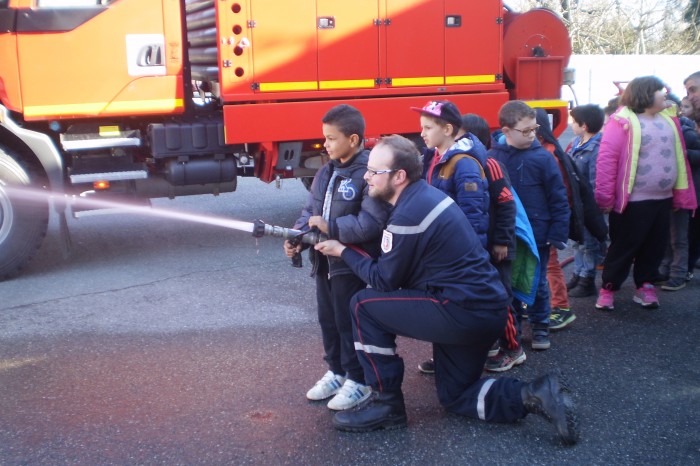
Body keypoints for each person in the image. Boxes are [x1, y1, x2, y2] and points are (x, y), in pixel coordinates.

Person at [314, 135, 579, 445]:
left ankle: (387, 405)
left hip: (460, 310)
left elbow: (385, 280)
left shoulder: (409, 214)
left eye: (375, 172)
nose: (367, 178)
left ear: (399, 176)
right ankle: (535, 394)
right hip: (483, 309)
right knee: (456, 396)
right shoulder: (423, 196)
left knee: (363, 306)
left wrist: (342, 250)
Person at [284, 104, 389, 411]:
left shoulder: (369, 174)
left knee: (349, 322)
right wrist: (297, 238)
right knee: (328, 320)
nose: (325, 144)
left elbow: (371, 223)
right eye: (324, 137)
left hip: (351, 265)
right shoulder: (326, 170)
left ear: (354, 140)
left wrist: (332, 228)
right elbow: (309, 211)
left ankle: (359, 380)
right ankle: (337, 371)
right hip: (323, 263)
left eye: (331, 138)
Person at [595, 76, 697, 311]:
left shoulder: (669, 120)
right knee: (624, 246)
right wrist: (605, 197)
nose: (665, 94)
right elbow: (607, 160)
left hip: (663, 199)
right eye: (660, 91)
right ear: (645, 95)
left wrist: (680, 194)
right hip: (633, 201)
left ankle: (645, 286)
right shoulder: (622, 122)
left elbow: (680, 157)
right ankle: (609, 287)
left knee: (655, 246)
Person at [489, 101, 570, 350]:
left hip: (538, 234)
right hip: (507, 235)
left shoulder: (543, 159)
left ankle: (540, 325)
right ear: (506, 131)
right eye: (525, 131)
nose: (532, 134)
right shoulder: (492, 157)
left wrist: (556, 233)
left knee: (538, 281)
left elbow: (559, 198)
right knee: (509, 282)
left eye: (534, 128)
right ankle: (515, 325)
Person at [565, 104, 606, 298]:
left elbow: (595, 181)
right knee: (578, 241)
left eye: (574, 122)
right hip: (576, 203)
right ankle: (577, 273)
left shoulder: (597, 148)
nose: (572, 125)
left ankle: (587, 279)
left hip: (587, 204)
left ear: (585, 125)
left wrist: (593, 207)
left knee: (589, 244)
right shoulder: (575, 142)